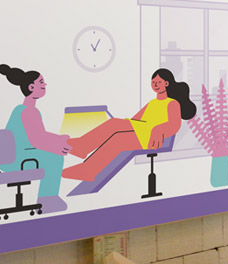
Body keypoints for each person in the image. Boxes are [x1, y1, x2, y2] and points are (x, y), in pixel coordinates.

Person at [62, 68, 196, 182]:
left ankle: (88, 169)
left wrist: (159, 129)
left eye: (159, 82)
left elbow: (174, 125)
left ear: (166, 83)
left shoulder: (172, 103)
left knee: (118, 139)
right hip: (142, 130)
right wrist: (123, 125)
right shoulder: (152, 103)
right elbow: (135, 120)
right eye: (153, 82)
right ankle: (82, 146)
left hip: (154, 137)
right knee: (114, 124)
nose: (155, 84)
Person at [0, 64, 71, 213]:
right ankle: (47, 200)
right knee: (54, 158)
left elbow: (40, 135)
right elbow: (37, 140)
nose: (45, 85)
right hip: (17, 160)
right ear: (31, 87)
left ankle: (48, 199)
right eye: (41, 82)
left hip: (17, 156)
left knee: (53, 154)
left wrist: (58, 140)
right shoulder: (28, 112)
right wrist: (57, 147)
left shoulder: (22, 109)